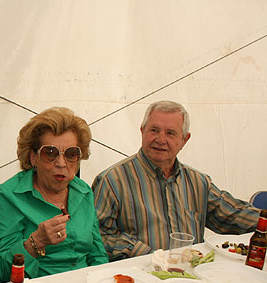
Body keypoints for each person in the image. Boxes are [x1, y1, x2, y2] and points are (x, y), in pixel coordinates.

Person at [92, 100, 260, 260]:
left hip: (191, 277)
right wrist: (143, 253)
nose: (160, 139)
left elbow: (233, 215)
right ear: (142, 131)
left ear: (184, 140)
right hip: (138, 280)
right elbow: (95, 237)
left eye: (170, 133)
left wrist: (264, 221)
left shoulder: (198, 182)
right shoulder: (112, 181)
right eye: (154, 130)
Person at [0, 107, 108, 283]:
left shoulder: (83, 191)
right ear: (33, 157)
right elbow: (1, 271)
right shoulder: (9, 197)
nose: (61, 163)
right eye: (50, 153)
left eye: (71, 154)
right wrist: (34, 243)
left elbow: (97, 254)